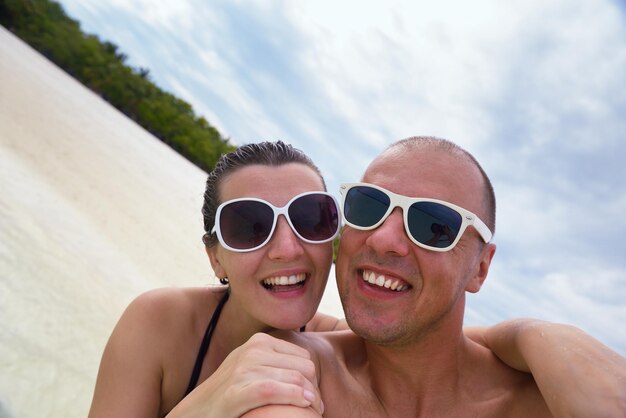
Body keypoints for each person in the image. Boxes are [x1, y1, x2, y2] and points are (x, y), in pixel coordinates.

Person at [242, 137, 626, 418]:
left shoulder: (549, 401)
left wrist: (537, 336)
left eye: (433, 225)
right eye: (367, 206)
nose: (383, 239)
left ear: (481, 268)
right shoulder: (297, 372)